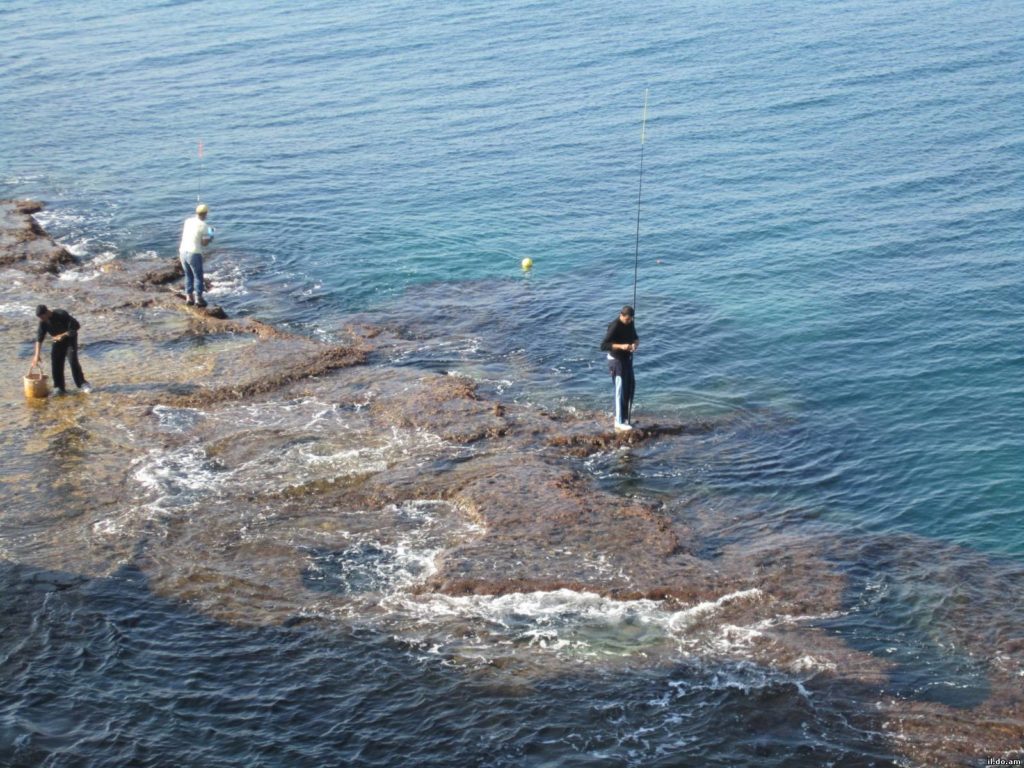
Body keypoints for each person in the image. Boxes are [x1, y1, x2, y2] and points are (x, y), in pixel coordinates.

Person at [31, 305, 91, 395]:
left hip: (70, 340)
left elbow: (76, 326)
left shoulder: (61, 314)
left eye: (42, 317)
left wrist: (62, 335)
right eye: (39, 318)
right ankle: (59, 387)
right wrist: (36, 355)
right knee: (56, 362)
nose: (41, 319)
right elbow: (39, 339)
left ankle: (82, 383)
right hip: (57, 341)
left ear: (47, 312)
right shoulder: (43, 322)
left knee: (73, 361)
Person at [600, 305, 639, 431]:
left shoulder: (631, 323)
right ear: (621, 315)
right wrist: (622, 346)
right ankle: (618, 421)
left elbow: (636, 338)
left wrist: (635, 345)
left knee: (630, 387)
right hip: (616, 361)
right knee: (620, 390)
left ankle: (625, 418)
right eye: (627, 319)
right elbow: (603, 345)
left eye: (630, 319)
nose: (629, 321)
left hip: (627, 359)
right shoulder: (615, 325)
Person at [178, 202, 215, 307]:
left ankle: (189, 298)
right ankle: (199, 299)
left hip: (182, 251)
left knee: (188, 275)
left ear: (196, 212)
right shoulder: (204, 226)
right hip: (194, 253)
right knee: (198, 276)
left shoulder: (188, 221)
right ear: (206, 213)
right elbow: (204, 244)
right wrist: (211, 238)